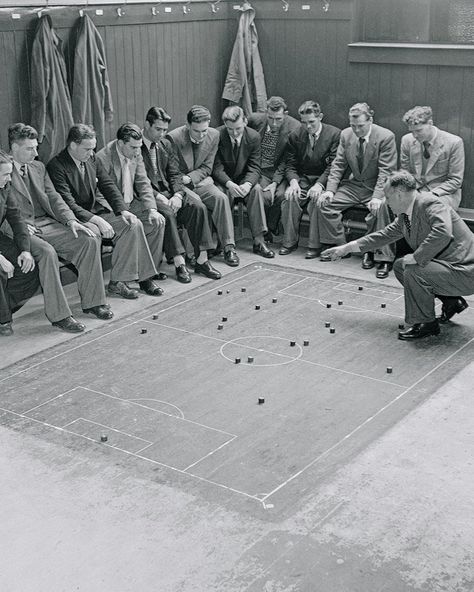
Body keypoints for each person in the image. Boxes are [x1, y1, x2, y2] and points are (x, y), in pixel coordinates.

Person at [322, 171, 474, 341]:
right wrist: (347, 248)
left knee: (413, 269)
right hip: (451, 268)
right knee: (400, 266)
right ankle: (451, 301)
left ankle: (426, 323)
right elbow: (384, 235)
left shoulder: (430, 203)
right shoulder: (407, 214)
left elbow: (443, 232)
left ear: (399, 194)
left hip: (466, 271)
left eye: (387, 196)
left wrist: (417, 257)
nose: (386, 201)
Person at [8, 123, 113, 333]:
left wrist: (71, 220)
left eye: (36, 147)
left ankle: (93, 302)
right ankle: (60, 315)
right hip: (18, 229)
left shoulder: (38, 167)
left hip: (46, 223)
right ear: (14, 147)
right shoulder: (3, 169)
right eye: (30, 148)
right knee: (47, 253)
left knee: (89, 238)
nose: (36, 153)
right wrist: (19, 228)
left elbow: (54, 198)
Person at [48, 124, 162, 299]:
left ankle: (120, 282)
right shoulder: (57, 166)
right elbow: (68, 203)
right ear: (73, 145)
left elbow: (108, 185)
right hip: (76, 218)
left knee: (131, 224)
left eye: (93, 148)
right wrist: (96, 220)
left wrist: (123, 211)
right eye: (87, 149)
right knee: (102, 234)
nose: (91, 152)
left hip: (94, 211)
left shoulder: (91, 158)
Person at [140, 106, 221, 280]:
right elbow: (137, 182)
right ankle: (179, 263)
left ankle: (202, 260)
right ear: (147, 125)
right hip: (149, 196)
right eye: (158, 129)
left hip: (170, 191)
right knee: (168, 213)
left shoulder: (166, 144)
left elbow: (175, 173)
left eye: (164, 130)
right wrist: (157, 196)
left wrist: (177, 195)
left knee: (198, 207)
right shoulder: (135, 145)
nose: (162, 133)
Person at [317, 102, 397, 278]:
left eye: (360, 126)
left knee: (381, 208)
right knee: (326, 204)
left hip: (377, 186)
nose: (357, 130)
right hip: (355, 185)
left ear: (370, 120)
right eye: (353, 126)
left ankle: (380, 256)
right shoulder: (346, 135)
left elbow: (386, 171)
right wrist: (330, 190)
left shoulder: (385, 137)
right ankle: (339, 247)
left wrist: (378, 197)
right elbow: (338, 165)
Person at [167, 105, 239, 267]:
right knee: (197, 203)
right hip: (180, 186)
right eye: (196, 131)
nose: (201, 136)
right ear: (187, 125)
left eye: (204, 131)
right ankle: (193, 253)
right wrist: (186, 180)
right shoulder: (173, 138)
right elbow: (173, 174)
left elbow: (207, 167)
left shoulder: (214, 135)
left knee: (221, 198)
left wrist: (190, 178)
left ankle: (229, 247)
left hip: (198, 180)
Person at [96, 124, 167, 285]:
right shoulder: (103, 157)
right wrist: (121, 212)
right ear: (120, 144)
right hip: (108, 207)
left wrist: (152, 209)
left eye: (139, 147)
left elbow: (143, 183)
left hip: (130, 202)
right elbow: (99, 194)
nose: (137, 152)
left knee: (157, 221)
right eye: (133, 147)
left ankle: (148, 273)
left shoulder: (136, 153)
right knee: (134, 224)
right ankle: (141, 278)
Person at [278, 100, 341, 258]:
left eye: (311, 122)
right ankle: (289, 241)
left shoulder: (334, 134)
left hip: (325, 180)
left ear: (320, 117)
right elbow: (290, 164)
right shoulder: (296, 135)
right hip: (303, 179)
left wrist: (320, 185)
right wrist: (293, 182)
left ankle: (315, 245)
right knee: (290, 198)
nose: (308, 126)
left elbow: (334, 166)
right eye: (304, 122)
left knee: (316, 202)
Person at [213, 106, 274, 258]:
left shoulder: (253, 137)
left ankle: (259, 241)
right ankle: (228, 246)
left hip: (244, 179)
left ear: (245, 121)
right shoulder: (216, 135)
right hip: (224, 181)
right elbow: (216, 167)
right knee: (222, 194)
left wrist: (247, 184)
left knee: (257, 190)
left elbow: (255, 166)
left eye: (238, 128)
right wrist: (229, 184)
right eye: (230, 129)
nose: (234, 133)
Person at [247, 96, 300, 238]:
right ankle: (264, 231)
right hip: (261, 170)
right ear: (266, 113)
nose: (274, 123)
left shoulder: (295, 128)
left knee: (281, 195)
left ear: (286, 114)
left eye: (278, 119)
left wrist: (276, 181)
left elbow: (287, 160)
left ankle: (271, 226)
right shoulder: (254, 120)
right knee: (264, 196)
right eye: (270, 118)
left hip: (281, 171)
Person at [0, 151, 38, 336]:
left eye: (9, 174)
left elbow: (17, 219)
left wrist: (25, 251)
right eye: (5, 174)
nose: (9, 178)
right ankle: (3, 319)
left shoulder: (5, 187)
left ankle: (3, 307)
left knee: (29, 267)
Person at [400, 105, 465, 210]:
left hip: (443, 193)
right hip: (415, 190)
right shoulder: (407, 140)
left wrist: (432, 194)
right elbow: (405, 173)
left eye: (419, 130)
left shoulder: (454, 142)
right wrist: (411, 191)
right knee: (386, 203)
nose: (415, 135)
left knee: (427, 206)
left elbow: (455, 180)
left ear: (430, 123)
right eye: (412, 131)